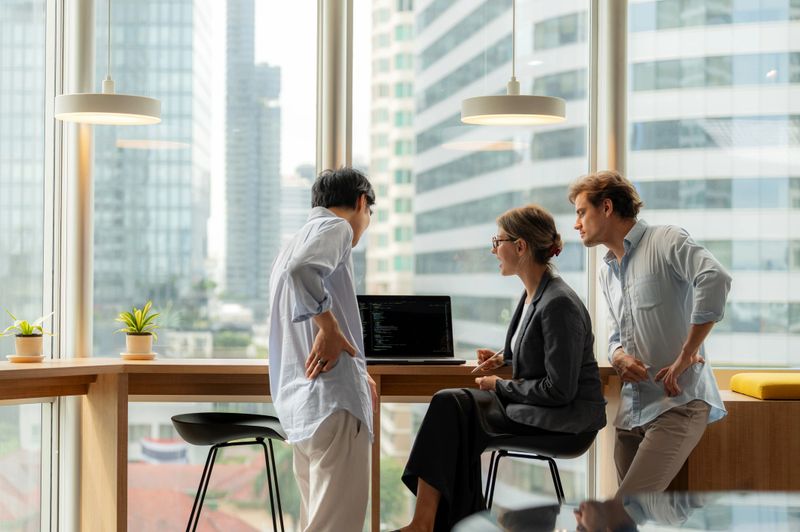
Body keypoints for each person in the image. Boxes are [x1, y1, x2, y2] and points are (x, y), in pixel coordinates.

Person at [397, 204, 607, 532]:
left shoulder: (558, 303)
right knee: (453, 408)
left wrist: (499, 385)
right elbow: (539, 351)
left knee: (451, 407)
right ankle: (437, 523)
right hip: (541, 407)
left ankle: (427, 523)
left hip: (567, 423)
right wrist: (504, 358)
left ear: (520, 247)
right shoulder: (533, 295)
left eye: (498, 241)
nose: (494, 249)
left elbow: (559, 389)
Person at [569, 170, 732, 494]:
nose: (576, 224)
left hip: (678, 406)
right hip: (631, 413)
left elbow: (715, 277)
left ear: (607, 207)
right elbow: (615, 333)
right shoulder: (606, 271)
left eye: (580, 212)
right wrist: (617, 357)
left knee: (622, 512)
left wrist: (687, 354)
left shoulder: (666, 239)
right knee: (633, 520)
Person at [268, 167, 378, 532]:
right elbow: (305, 271)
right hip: (334, 402)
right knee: (337, 527)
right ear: (362, 202)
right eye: (370, 214)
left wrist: (359, 374)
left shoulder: (291, 243)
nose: (365, 223)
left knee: (314, 523)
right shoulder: (337, 228)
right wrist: (329, 328)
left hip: (303, 408)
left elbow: (298, 273)